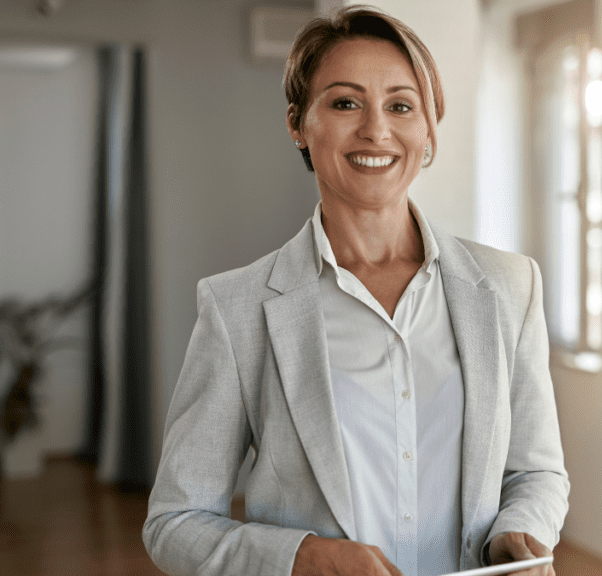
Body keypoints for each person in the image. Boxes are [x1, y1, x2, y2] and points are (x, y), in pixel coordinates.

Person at [142, 6, 569, 576]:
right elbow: (175, 521)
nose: (376, 129)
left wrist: (517, 533)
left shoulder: (510, 287)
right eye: (345, 103)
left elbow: (536, 473)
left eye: (401, 106)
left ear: (428, 131)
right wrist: (301, 557)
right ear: (298, 122)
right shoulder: (236, 309)